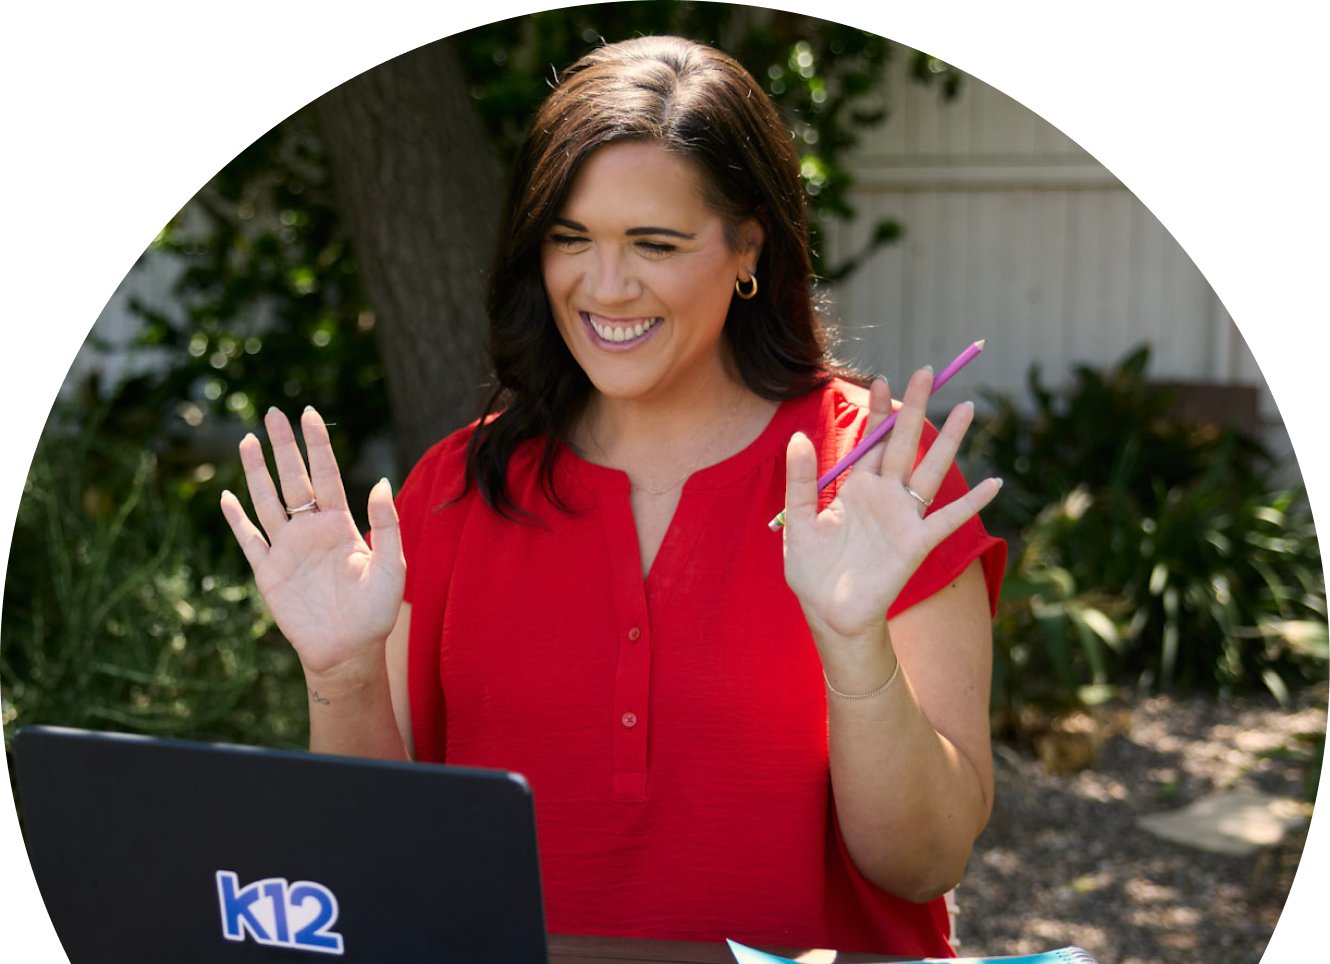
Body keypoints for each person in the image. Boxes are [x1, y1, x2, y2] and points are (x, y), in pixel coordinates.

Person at [220, 35, 1005, 957]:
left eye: (654, 243)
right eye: (571, 238)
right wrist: (341, 675)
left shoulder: (875, 476)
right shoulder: (452, 491)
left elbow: (922, 865)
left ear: (748, 244)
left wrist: (853, 648)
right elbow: (374, 874)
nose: (605, 286)